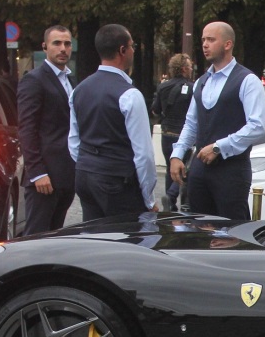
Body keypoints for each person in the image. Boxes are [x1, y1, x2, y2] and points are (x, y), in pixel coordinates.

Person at [169, 21, 265, 220]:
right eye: (203, 39)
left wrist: (219, 147)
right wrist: (177, 155)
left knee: (232, 233)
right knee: (198, 229)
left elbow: (258, 126)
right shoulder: (201, 82)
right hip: (199, 170)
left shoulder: (248, 80)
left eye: (211, 40)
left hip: (231, 171)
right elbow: (191, 123)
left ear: (227, 44)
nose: (205, 44)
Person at [67, 24, 158, 219]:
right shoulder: (129, 95)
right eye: (132, 46)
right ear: (122, 50)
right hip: (117, 180)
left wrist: (89, 164)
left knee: (94, 239)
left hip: (85, 175)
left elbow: (74, 141)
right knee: (128, 240)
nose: (133, 50)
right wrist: (149, 198)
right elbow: (144, 155)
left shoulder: (79, 90)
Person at [16, 25, 76, 235]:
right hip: (44, 178)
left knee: (54, 238)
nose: (63, 49)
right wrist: (37, 172)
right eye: (56, 43)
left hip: (66, 175)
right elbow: (27, 129)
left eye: (67, 44)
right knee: (35, 238)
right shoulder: (34, 80)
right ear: (44, 47)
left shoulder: (70, 80)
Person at [151, 53, 194, 212]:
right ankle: (174, 196)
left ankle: (170, 206)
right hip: (183, 135)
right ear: (183, 69)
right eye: (190, 67)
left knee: (171, 167)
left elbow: (155, 110)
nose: (191, 70)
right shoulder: (192, 88)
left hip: (166, 133)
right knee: (184, 169)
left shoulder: (163, 86)